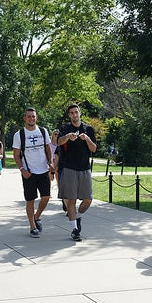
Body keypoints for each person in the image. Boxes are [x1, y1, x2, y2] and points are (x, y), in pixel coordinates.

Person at [54, 103, 97, 242]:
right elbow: (58, 142)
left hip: (84, 168)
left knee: (88, 199)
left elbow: (94, 149)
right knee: (71, 200)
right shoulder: (65, 128)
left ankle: (77, 216)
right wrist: (67, 137)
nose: (74, 115)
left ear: (80, 113)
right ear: (69, 115)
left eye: (76, 112)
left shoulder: (88, 129)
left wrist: (87, 138)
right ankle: (74, 229)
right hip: (69, 168)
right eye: (71, 113)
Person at [13, 108, 54, 237]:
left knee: (46, 197)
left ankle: (37, 216)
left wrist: (50, 162)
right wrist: (22, 169)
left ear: (36, 118)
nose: (31, 118)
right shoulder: (19, 134)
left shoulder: (43, 131)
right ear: (24, 118)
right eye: (29, 116)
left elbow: (48, 148)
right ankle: (32, 226)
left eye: (33, 116)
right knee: (30, 199)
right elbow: (16, 154)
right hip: (29, 172)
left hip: (43, 170)